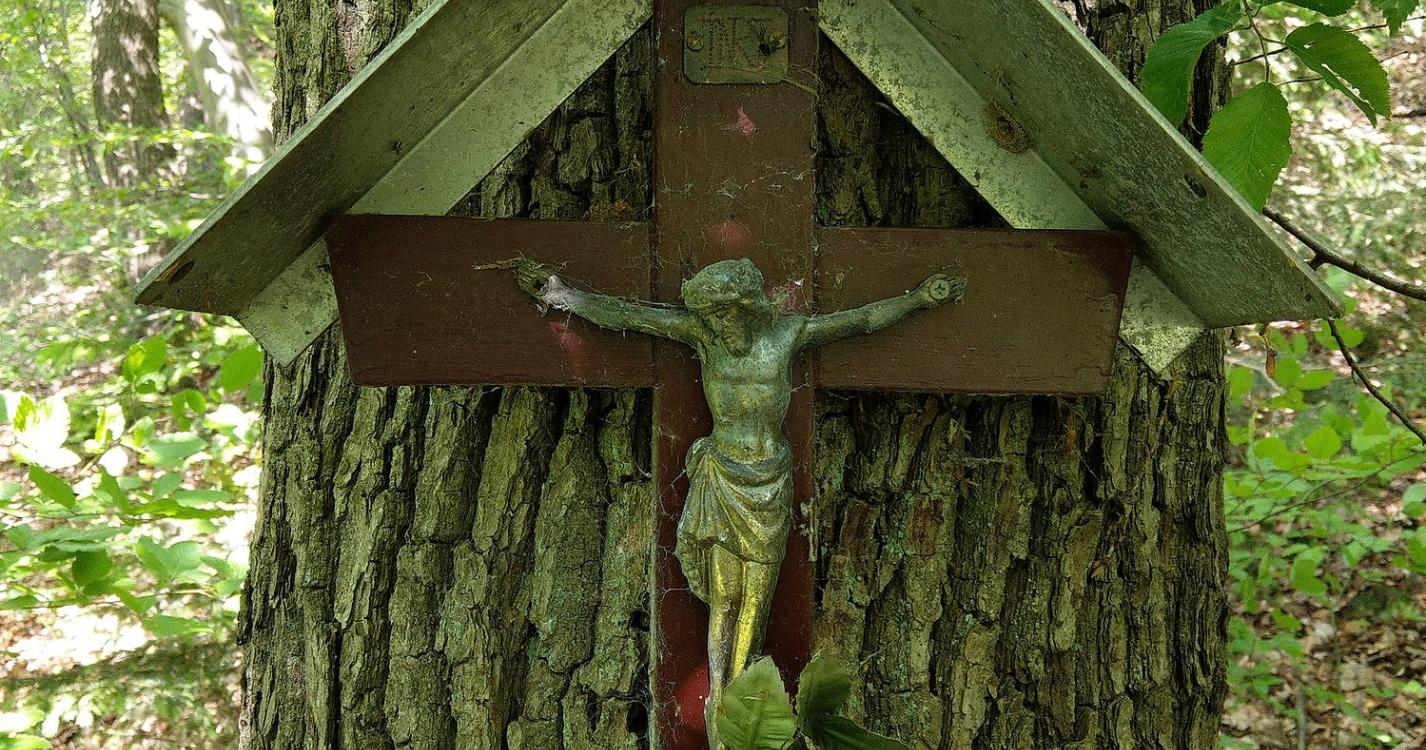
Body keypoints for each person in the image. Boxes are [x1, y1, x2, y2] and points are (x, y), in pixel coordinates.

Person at [515, 257, 963, 748]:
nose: (722, 326)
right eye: (713, 317)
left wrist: (917, 300)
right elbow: (630, 317)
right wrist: (561, 295)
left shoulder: (788, 336)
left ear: (749, 309)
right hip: (722, 479)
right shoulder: (703, 337)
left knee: (756, 600)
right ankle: (720, 703)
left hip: (768, 484)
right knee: (725, 599)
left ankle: (739, 701)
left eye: (728, 315)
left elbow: (861, 320)